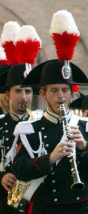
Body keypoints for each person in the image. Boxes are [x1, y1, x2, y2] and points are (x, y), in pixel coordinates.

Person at [12, 59, 88, 214]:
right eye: (54, 90)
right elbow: (20, 171)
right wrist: (50, 158)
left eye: (65, 90)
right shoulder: (29, 129)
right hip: (46, 207)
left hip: (83, 207)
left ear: (72, 94)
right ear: (43, 93)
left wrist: (85, 147)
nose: (61, 96)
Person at [0, 64, 42, 214]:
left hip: (38, 200)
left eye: (28, 91)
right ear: (7, 94)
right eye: (18, 91)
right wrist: (1, 177)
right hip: (5, 202)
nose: (24, 97)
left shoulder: (42, 123)